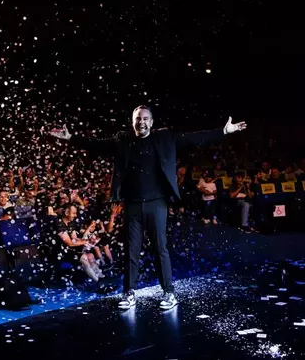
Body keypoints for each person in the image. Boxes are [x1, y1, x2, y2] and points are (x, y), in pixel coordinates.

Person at [50, 105, 247, 310]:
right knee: (131, 251)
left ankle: (169, 293)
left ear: (151, 123)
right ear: (133, 122)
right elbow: (97, 145)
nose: (141, 122)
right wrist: (71, 137)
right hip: (132, 205)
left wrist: (224, 132)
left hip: (157, 204)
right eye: (137, 119)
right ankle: (129, 293)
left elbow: (193, 140)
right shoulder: (123, 140)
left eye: (145, 119)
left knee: (160, 249)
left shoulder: (164, 138)